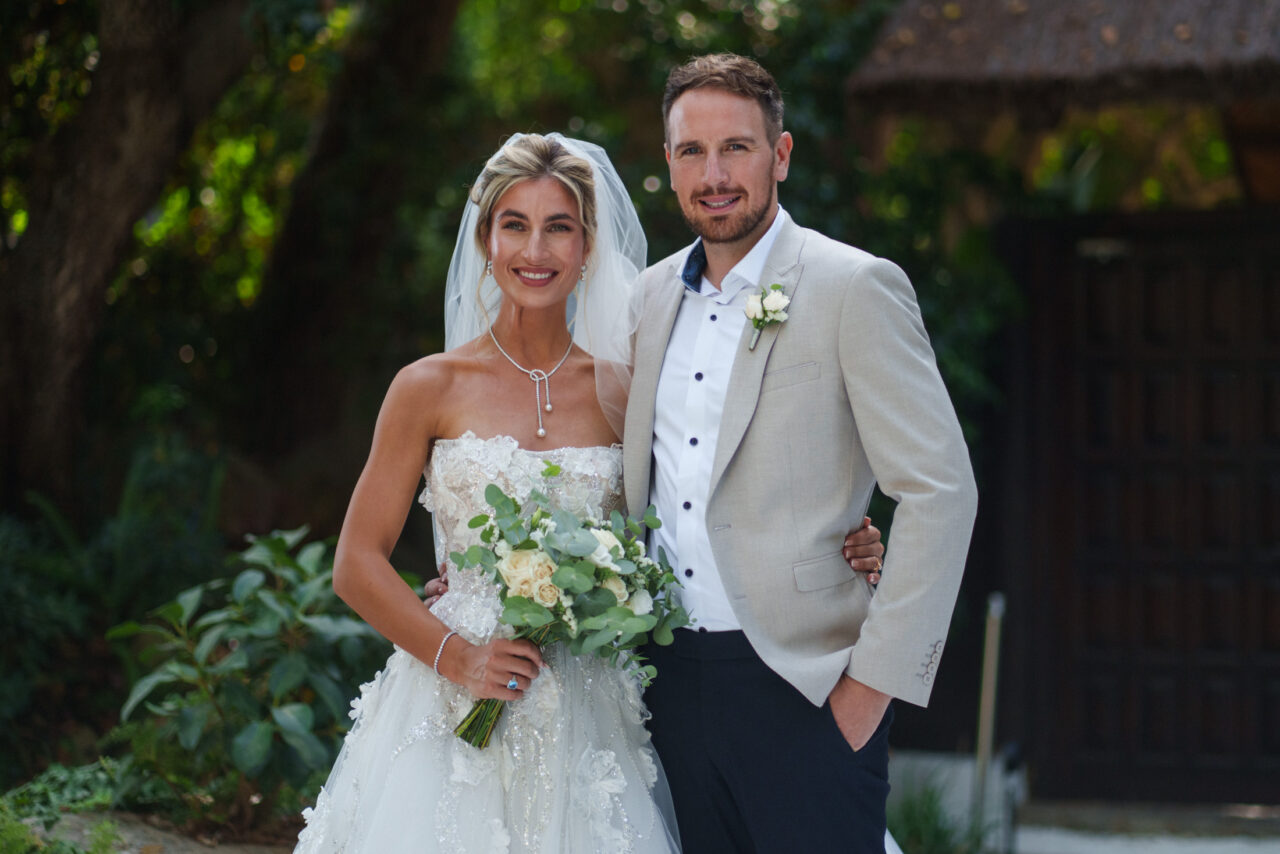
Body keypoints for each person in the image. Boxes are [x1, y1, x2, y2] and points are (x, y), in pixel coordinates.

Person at [293, 131, 889, 853]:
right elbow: (356, 563)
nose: (535, 252)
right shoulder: (427, 388)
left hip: (593, 711)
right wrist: (460, 654)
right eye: (514, 225)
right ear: (486, 239)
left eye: (559, 229)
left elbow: (713, 495)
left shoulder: (624, 391)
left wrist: (842, 539)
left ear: (587, 247)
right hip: (450, 702)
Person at [624, 54, 979, 852]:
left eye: (737, 148)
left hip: (807, 691)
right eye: (691, 152)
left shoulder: (855, 286)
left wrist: (869, 691)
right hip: (664, 687)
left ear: (780, 155)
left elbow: (941, 489)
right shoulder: (644, 300)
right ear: (669, 167)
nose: (714, 175)